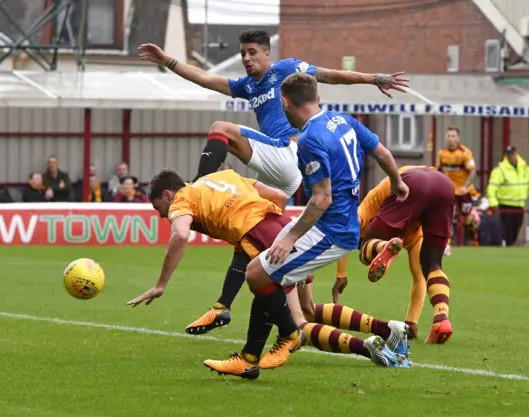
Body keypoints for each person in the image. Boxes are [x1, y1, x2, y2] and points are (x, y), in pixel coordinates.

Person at [139, 29, 410, 334]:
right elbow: (205, 78)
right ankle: (225, 307)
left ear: (268, 54)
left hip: (291, 151)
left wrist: (373, 78)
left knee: (221, 128)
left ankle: (201, 185)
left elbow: (330, 75)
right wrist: (168, 61)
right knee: (251, 236)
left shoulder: (286, 70)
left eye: (252, 52)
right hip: (282, 175)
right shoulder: (247, 86)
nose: (246, 58)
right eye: (243, 53)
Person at [205, 73, 410, 378]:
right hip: (334, 224)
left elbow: (322, 198)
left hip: (331, 230)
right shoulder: (343, 120)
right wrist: (397, 182)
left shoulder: (310, 140)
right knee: (264, 273)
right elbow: (381, 152)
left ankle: (278, 341)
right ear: (315, 96)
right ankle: (255, 354)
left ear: (285, 102)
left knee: (261, 274)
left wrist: (290, 239)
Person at [127, 168, 407, 380]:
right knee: (307, 309)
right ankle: (387, 329)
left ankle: (367, 346)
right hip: (283, 226)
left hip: (262, 236)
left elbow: (180, 234)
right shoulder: (222, 175)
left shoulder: (181, 201)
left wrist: (160, 284)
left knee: (293, 317)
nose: (163, 215)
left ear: (167, 195)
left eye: (159, 209)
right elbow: (278, 196)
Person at [333, 166, 461, 342]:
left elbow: (343, 235)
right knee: (431, 266)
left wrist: (341, 275)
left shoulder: (363, 211)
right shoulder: (413, 232)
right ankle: (441, 320)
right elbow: (417, 278)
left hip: (409, 183)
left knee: (365, 251)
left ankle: (384, 246)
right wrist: (411, 322)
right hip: (444, 184)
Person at [486, 146, 529, 246]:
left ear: (516, 154)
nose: (511, 157)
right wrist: (494, 204)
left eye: (512, 154)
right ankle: (506, 246)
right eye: (508, 154)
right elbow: (492, 188)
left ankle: (509, 245)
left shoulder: (524, 168)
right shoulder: (500, 170)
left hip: (519, 204)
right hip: (505, 205)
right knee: (506, 231)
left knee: (516, 229)